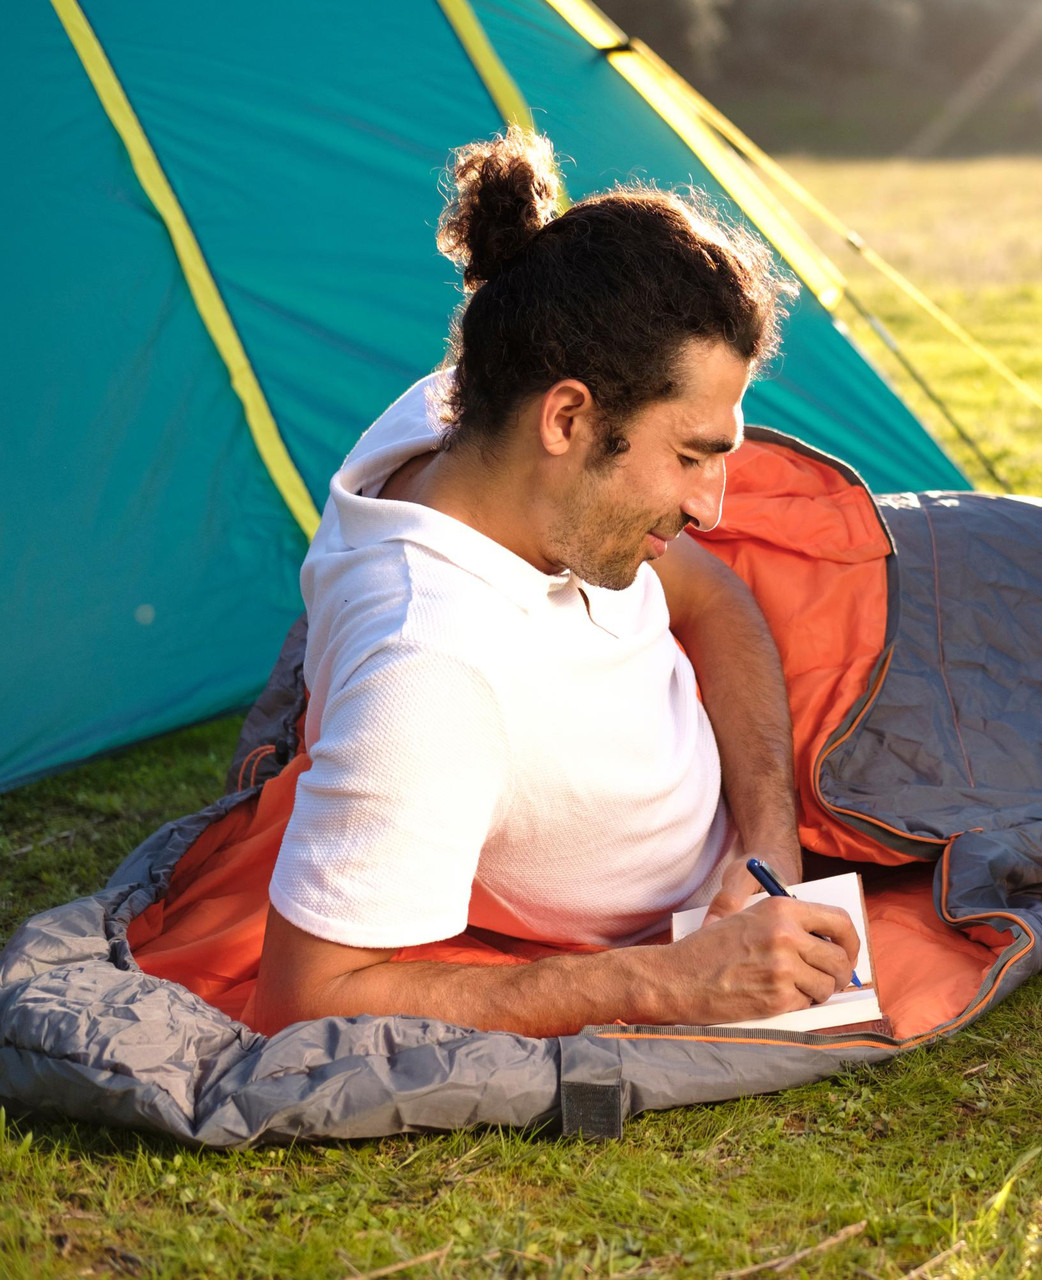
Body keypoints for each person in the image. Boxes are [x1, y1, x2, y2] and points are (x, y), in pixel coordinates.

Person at [254, 128, 858, 1037]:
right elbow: (303, 999)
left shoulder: (484, 429)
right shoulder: (431, 672)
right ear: (568, 417)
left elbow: (711, 595)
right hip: (711, 895)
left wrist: (768, 841)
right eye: (692, 455)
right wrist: (663, 982)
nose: (712, 507)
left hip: (769, 793)